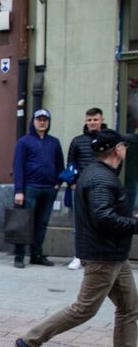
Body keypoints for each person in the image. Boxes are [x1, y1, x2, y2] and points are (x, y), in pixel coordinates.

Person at [14, 130, 138, 347]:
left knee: (129, 306)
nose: (126, 148)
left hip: (114, 254)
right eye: (123, 145)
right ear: (117, 149)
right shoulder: (101, 178)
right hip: (103, 254)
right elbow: (103, 217)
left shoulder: (99, 174)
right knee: (84, 309)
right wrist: (134, 223)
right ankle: (30, 341)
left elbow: (104, 212)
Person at [11, 109, 64, 268]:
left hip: (49, 189)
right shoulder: (24, 142)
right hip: (30, 188)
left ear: (48, 122)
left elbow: (60, 165)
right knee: (23, 222)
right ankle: (19, 256)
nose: (42, 122)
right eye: (39, 119)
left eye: (45, 120)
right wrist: (19, 191)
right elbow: (18, 167)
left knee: (41, 224)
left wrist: (57, 183)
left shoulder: (54, 142)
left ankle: (36, 255)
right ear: (33, 121)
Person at [65, 108, 107, 270]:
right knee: (79, 224)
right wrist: (72, 183)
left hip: (101, 189)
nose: (92, 122)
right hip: (80, 189)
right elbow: (70, 163)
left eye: (95, 119)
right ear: (86, 121)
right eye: (89, 120)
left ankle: (97, 256)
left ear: (102, 120)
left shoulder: (109, 139)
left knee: (100, 222)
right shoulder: (77, 141)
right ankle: (79, 256)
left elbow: (115, 162)